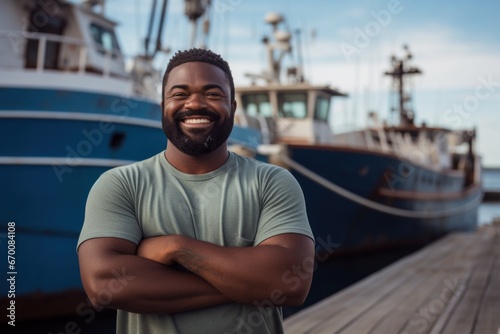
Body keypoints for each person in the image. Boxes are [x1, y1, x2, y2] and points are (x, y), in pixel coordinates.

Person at [77, 48, 315, 334]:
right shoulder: (121, 184)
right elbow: (103, 285)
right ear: (163, 104)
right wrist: (249, 283)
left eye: (213, 94)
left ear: (233, 107)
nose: (195, 104)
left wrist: (178, 248)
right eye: (179, 94)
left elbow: (291, 281)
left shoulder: (271, 181)